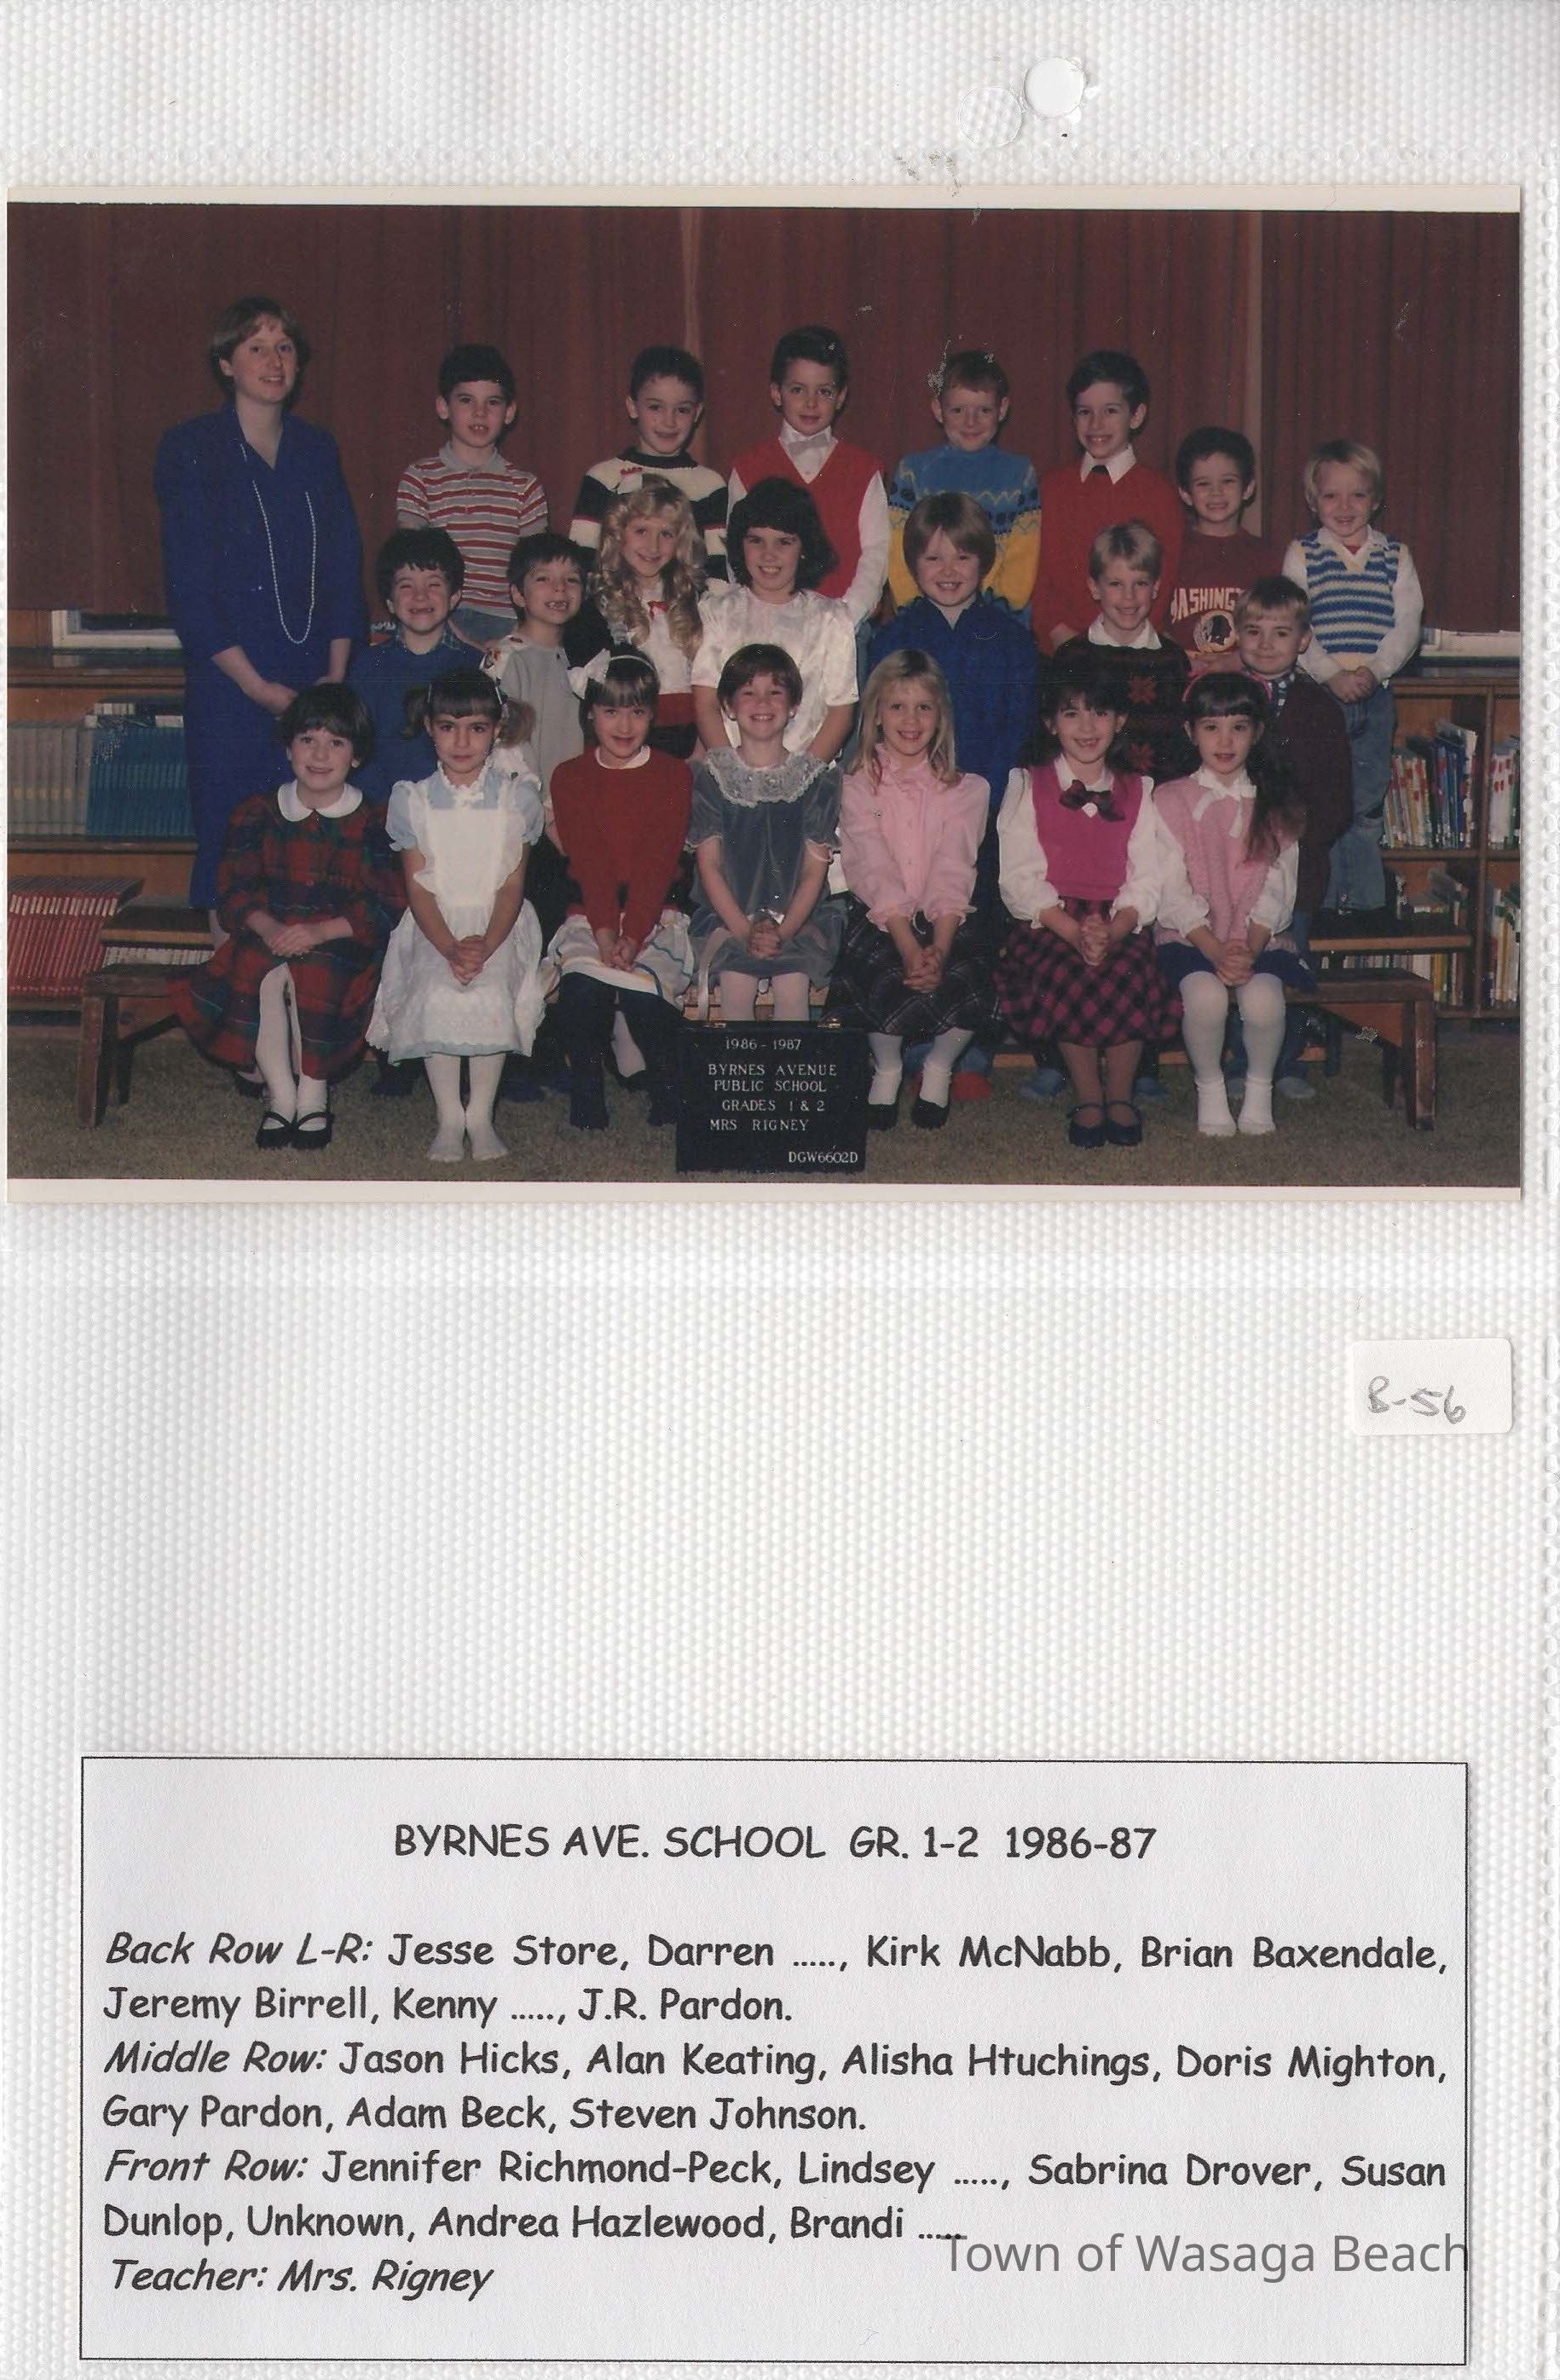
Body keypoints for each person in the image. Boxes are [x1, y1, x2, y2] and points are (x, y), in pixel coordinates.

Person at [155, 294, 363, 909]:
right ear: (226, 364)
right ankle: (232, 972)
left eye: (285, 348)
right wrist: (255, 687)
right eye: (257, 348)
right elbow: (190, 590)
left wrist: (334, 680)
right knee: (233, 853)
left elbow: (344, 569)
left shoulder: (317, 448)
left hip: (314, 682)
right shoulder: (192, 447)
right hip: (232, 685)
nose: (274, 362)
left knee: (311, 854)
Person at [169, 685, 400, 1152]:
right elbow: (234, 890)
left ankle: (313, 1094)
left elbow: (384, 902)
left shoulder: (374, 820)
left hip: (340, 938)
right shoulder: (257, 813)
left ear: (356, 756)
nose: (320, 755)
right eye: (308, 740)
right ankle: (281, 1094)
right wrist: (271, 928)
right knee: (263, 969)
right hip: (268, 931)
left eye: (336, 743)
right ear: (289, 747)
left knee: (313, 971)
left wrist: (319, 931)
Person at [867, 490, 1037, 1098]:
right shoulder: (892, 638)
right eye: (933, 557)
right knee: (906, 913)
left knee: (975, 923)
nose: (948, 570)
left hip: (980, 810)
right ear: (912, 563)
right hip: (905, 807)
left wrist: (976, 800)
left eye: (962, 557)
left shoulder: (1011, 639)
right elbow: (878, 725)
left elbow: (1018, 730)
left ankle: (967, 1050)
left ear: (985, 562)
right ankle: (909, 1041)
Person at [994, 648, 1179, 1150]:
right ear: (1051, 723)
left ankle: (1120, 1093)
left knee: (1129, 968)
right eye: (1071, 713)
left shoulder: (1138, 789)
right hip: (1052, 917)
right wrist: (1075, 932)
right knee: (1071, 972)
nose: (1087, 726)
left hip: (1119, 915)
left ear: (1120, 720)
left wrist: (1114, 929)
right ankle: (1089, 1093)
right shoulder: (1027, 784)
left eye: (1100, 712)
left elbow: (1148, 874)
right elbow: (1019, 876)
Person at [368, 669, 546, 1162]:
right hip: (435, 924)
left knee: (489, 991)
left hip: (499, 924)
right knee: (438, 990)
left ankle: (480, 1116)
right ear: (429, 727)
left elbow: (512, 884)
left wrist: (485, 945)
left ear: (497, 728)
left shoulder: (518, 797)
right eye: (448, 727)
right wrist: (449, 947)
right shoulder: (413, 800)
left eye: (476, 728)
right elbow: (418, 889)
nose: (462, 742)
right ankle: (449, 1116)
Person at [829, 653, 991, 1131]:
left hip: (944, 913)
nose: (911, 720)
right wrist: (907, 945)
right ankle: (888, 1068)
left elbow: (953, 868)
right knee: (882, 974)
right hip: (883, 914)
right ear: (876, 715)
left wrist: (938, 947)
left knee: (968, 974)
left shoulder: (966, 790)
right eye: (897, 706)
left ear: (941, 715)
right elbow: (872, 867)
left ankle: (939, 1066)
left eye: (924, 707)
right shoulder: (855, 786)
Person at [1153, 672, 1311, 1138]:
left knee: (1263, 1002)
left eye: (1238, 727)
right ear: (1191, 732)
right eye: (1211, 727)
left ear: (1257, 733)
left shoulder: (1276, 803)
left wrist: (1249, 946)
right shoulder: (1169, 799)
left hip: (1257, 938)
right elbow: (1169, 885)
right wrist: (1215, 949)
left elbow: (1278, 886)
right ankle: (1210, 1088)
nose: (1225, 742)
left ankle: (1260, 1090)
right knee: (1205, 998)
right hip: (1191, 937)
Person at [546, 656, 694, 1131]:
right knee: (583, 988)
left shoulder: (673, 775)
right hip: (591, 911)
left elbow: (657, 864)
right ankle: (587, 1086)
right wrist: (608, 936)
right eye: (611, 711)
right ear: (590, 712)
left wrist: (632, 937)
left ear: (653, 715)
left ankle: (666, 1084)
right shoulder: (570, 776)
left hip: (657, 911)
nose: (624, 726)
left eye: (637, 712)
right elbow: (590, 864)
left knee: (645, 995)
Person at [1281, 440, 1424, 914]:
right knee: (1321, 805)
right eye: (1331, 496)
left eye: (1357, 495)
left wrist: (1374, 672)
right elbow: (1295, 624)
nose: (1344, 507)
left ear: (1376, 500)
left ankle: (1363, 908)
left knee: (1364, 806)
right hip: (1319, 694)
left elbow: (1407, 625)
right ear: (1313, 501)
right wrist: (1330, 675)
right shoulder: (1303, 553)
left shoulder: (1395, 555)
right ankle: (1320, 907)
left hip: (1373, 693)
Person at [1234, 577, 1353, 1097]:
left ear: (1303, 640)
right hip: (1232, 865)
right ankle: (1239, 1061)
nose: (1265, 644)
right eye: (1253, 631)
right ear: (1237, 634)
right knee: (1238, 961)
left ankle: (1287, 1062)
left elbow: (1337, 799)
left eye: (1280, 633)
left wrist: (1295, 841)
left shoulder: (1319, 707)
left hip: (1298, 869)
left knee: (1286, 960)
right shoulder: (1223, 698)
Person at [687, 645, 844, 1023]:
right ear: (728, 706)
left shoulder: (813, 780)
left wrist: (783, 933)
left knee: (793, 983)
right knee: (736, 982)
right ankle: (740, 1062)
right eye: (748, 692)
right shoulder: (712, 779)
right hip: (730, 918)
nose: (762, 703)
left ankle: (791, 1062)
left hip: (797, 921)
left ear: (793, 706)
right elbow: (710, 867)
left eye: (775, 692)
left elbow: (813, 872)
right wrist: (745, 932)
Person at [728, 326, 888, 626]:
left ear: (841, 397)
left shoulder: (864, 469)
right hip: (767, 623)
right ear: (776, 393)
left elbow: (876, 552)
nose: (811, 403)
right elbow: (737, 554)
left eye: (824, 391)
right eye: (798, 390)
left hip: (843, 623)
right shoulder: (748, 467)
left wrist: (847, 617)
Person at [1031, 348, 1182, 655]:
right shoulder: (1051, 488)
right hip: (1064, 653)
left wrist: (1124, 651)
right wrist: (1066, 642)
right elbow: (1038, 578)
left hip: (1136, 653)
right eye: (1085, 412)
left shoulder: (1160, 493)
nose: (1096, 424)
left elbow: (1162, 584)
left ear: (1136, 416)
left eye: (1110, 411)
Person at [690, 480, 856, 761]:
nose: (769, 554)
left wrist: (801, 775)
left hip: (807, 768)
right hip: (730, 767)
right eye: (756, 540)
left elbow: (840, 711)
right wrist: (731, 770)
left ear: (804, 548)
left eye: (784, 542)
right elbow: (706, 702)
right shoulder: (717, 612)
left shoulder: (831, 619)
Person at [396, 344, 546, 646]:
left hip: (508, 620)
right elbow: (412, 565)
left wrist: (515, 637)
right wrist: (452, 633)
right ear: (443, 407)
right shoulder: (420, 477)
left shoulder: (526, 486)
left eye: (493, 402)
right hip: (438, 617)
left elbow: (535, 573)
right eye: (466, 400)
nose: (480, 412)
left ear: (509, 412)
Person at [886, 349, 1039, 614]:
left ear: (1002, 409)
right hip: (925, 615)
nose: (971, 422)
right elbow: (900, 554)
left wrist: (999, 610)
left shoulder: (1019, 473)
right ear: (938, 410)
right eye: (958, 410)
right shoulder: (913, 472)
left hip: (998, 618)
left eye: (984, 410)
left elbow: (1023, 560)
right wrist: (914, 609)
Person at [569, 344, 728, 579]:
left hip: (688, 601)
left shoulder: (709, 485)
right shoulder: (602, 478)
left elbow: (719, 570)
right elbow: (580, 564)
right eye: (655, 407)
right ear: (633, 407)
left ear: (697, 413)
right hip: (613, 600)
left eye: (682, 410)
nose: (669, 421)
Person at [1054, 520, 1194, 782]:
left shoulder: (1172, 660)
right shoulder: (1072, 657)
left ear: (1156, 588)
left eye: (1140, 583)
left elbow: (1182, 744)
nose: (1129, 597)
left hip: (1158, 792)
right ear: (1094, 588)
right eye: (1116, 584)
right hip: (1089, 790)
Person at [348, 530, 477, 808]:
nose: (420, 596)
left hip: (460, 812)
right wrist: (390, 811)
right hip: (383, 812)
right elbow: (357, 751)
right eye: (406, 586)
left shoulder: (477, 666)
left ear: (454, 597)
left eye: (433, 584)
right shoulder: (368, 666)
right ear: (390, 602)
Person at [581, 481, 708, 758]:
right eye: (641, 531)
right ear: (618, 534)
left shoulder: (696, 604)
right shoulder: (601, 607)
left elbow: (710, 685)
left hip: (691, 742)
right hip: (626, 736)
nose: (653, 545)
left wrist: (701, 750)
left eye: (666, 534)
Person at [1166, 428, 1279, 669]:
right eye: (1203, 483)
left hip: (1245, 677)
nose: (1215, 492)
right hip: (1180, 675)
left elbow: (1281, 626)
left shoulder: (1266, 557)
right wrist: (1181, 660)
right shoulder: (1169, 551)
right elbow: (1150, 621)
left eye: (1227, 481)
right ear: (1185, 494)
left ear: (1248, 488)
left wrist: (1238, 660)